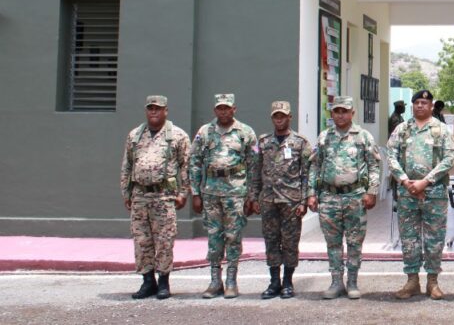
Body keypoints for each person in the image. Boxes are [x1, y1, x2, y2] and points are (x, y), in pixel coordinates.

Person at [308, 96, 381, 300]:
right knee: (332, 243)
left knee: (355, 242)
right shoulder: (324, 137)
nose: (340, 115)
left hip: (355, 196)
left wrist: (372, 191)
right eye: (337, 111)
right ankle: (336, 282)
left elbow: (374, 165)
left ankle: (352, 282)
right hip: (329, 197)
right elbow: (314, 166)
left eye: (344, 111)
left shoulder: (363, 137)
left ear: (352, 113)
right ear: (332, 113)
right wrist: (311, 194)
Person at [188, 93, 259, 299]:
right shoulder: (205, 132)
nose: (224, 111)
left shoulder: (245, 132)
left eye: (227, 108)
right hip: (211, 192)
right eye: (220, 108)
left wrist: (252, 196)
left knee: (233, 236)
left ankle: (231, 281)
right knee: (214, 236)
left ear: (234, 109)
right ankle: (215, 281)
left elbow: (254, 166)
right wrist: (195, 193)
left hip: (235, 193)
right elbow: (194, 162)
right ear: (215, 110)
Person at [387, 89, 454, 300]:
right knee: (409, 238)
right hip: (407, 192)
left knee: (435, 238)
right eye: (416, 102)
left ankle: (432, 282)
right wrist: (405, 180)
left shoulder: (441, 129)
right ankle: (412, 281)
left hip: (434, 193)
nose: (420, 105)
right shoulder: (402, 129)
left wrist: (425, 181)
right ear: (412, 105)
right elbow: (391, 156)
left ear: (431, 106)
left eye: (424, 103)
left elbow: (449, 159)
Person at [120, 95, 190, 300]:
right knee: (142, 240)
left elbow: (186, 166)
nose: (153, 111)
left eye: (158, 108)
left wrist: (183, 193)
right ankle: (147, 281)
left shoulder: (177, 136)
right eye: (150, 108)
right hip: (140, 195)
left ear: (165, 111)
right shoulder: (135, 135)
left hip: (164, 196)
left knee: (164, 240)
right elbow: (127, 165)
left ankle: (164, 282)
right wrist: (126, 192)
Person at [252, 101, 311, 299]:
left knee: (290, 242)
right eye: (276, 116)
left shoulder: (300, 142)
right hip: (268, 200)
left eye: (283, 116)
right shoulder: (263, 142)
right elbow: (256, 172)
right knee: (271, 240)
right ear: (272, 118)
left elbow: (307, 174)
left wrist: (304, 201)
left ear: (290, 117)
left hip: (291, 201)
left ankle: (287, 282)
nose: (279, 119)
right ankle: (274, 282)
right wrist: (254, 197)